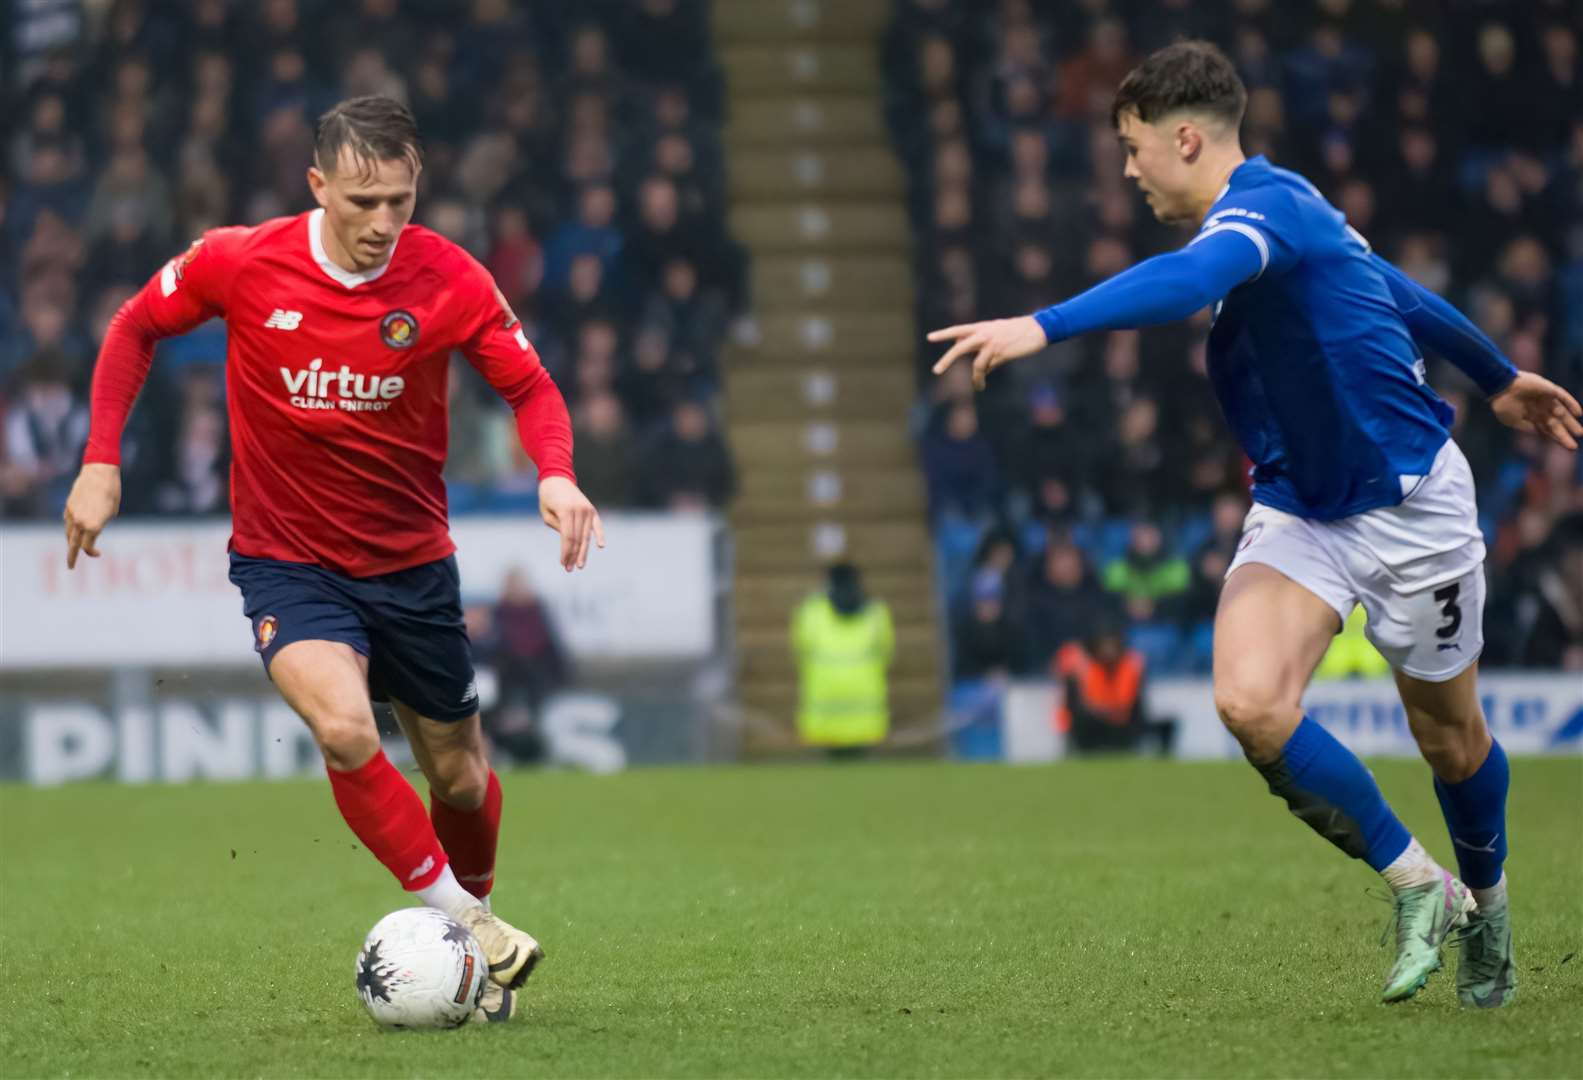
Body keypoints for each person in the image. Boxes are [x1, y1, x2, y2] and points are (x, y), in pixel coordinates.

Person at [928, 42, 1582, 1007]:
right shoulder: (1282, 212)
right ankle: (1420, 886)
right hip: (1299, 507)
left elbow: (1194, 286)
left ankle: (1488, 902)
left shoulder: (1257, 215)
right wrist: (1495, 376)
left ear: (1185, 138)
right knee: (1247, 701)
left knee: (1448, 738)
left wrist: (1043, 324)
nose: (1125, 169)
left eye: (1132, 146)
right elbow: (1395, 288)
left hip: (1412, 511)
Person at [61, 97, 606, 1025]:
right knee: (347, 731)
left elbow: (530, 385)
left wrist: (555, 475)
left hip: (412, 566)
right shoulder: (242, 259)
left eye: (399, 199)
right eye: (362, 201)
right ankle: (471, 926)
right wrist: (100, 457)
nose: (383, 223)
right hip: (289, 563)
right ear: (318, 186)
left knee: (461, 779)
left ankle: (470, 948)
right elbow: (132, 326)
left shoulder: (449, 278)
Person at [790, 563, 895, 758]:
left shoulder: (811, 611)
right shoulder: (876, 612)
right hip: (867, 712)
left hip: (823, 711)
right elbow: (886, 653)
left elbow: (800, 650)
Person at [1055, 621, 1174, 756]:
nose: (1109, 650)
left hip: (1122, 721)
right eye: (1105, 645)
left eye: (1112, 645)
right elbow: (1076, 707)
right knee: (1083, 723)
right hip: (1095, 723)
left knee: (1166, 725)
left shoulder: (1132, 665)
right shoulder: (1083, 666)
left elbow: (1138, 705)